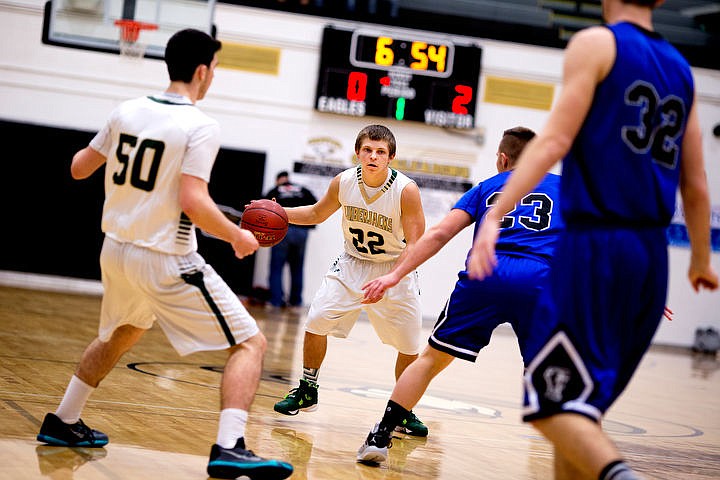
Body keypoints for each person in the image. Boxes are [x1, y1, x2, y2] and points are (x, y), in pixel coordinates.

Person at [469, 2, 719, 479]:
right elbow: (697, 181)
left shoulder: (596, 44)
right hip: (650, 255)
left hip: (596, 244)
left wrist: (498, 211)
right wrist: (701, 260)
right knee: (584, 408)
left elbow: (554, 140)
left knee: (552, 403)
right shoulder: (683, 69)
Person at [34, 29, 293, 480]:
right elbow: (193, 200)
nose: (213, 76)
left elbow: (78, 168)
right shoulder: (200, 124)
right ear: (201, 71)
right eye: (214, 68)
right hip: (165, 257)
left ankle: (64, 420)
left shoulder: (126, 110)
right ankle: (231, 446)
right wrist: (236, 235)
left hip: (115, 249)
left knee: (123, 331)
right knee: (251, 342)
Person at [356, 126, 564, 464]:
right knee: (545, 370)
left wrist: (394, 274)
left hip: (486, 273)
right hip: (540, 280)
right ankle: (571, 453)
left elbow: (439, 234)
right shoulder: (566, 190)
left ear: (502, 158)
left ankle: (381, 436)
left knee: (430, 360)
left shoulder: (486, 188)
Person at [271, 124, 429, 436]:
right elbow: (317, 214)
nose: (373, 156)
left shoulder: (406, 190)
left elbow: (417, 244)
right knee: (316, 320)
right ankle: (307, 388)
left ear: (391, 158)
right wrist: (279, 211)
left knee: (410, 346)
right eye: (368, 149)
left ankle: (404, 409)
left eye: (380, 152)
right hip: (353, 263)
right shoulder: (344, 181)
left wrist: (393, 278)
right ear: (357, 153)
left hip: (394, 268)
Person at [264, 170, 317, 309]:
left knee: (276, 268)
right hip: (301, 232)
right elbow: (317, 207)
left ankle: (276, 301)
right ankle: (296, 302)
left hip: (282, 231)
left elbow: (262, 210)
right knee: (297, 268)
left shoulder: (275, 190)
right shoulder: (303, 190)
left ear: (278, 180)